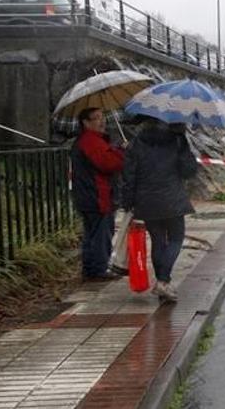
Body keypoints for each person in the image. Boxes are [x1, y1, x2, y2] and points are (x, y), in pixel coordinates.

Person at [121, 119, 199, 301]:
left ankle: (163, 283)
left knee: (158, 241)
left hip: (146, 200)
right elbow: (189, 170)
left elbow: (128, 176)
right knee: (176, 238)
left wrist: (128, 202)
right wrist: (183, 142)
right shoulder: (177, 140)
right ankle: (163, 281)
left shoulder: (136, 143)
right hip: (172, 198)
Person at [71, 107, 125, 280]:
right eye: (96, 118)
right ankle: (98, 269)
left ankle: (91, 269)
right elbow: (108, 163)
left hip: (89, 195)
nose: (102, 121)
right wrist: (123, 153)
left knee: (92, 233)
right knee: (101, 233)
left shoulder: (91, 140)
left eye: (102, 117)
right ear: (86, 123)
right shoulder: (90, 141)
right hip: (97, 196)